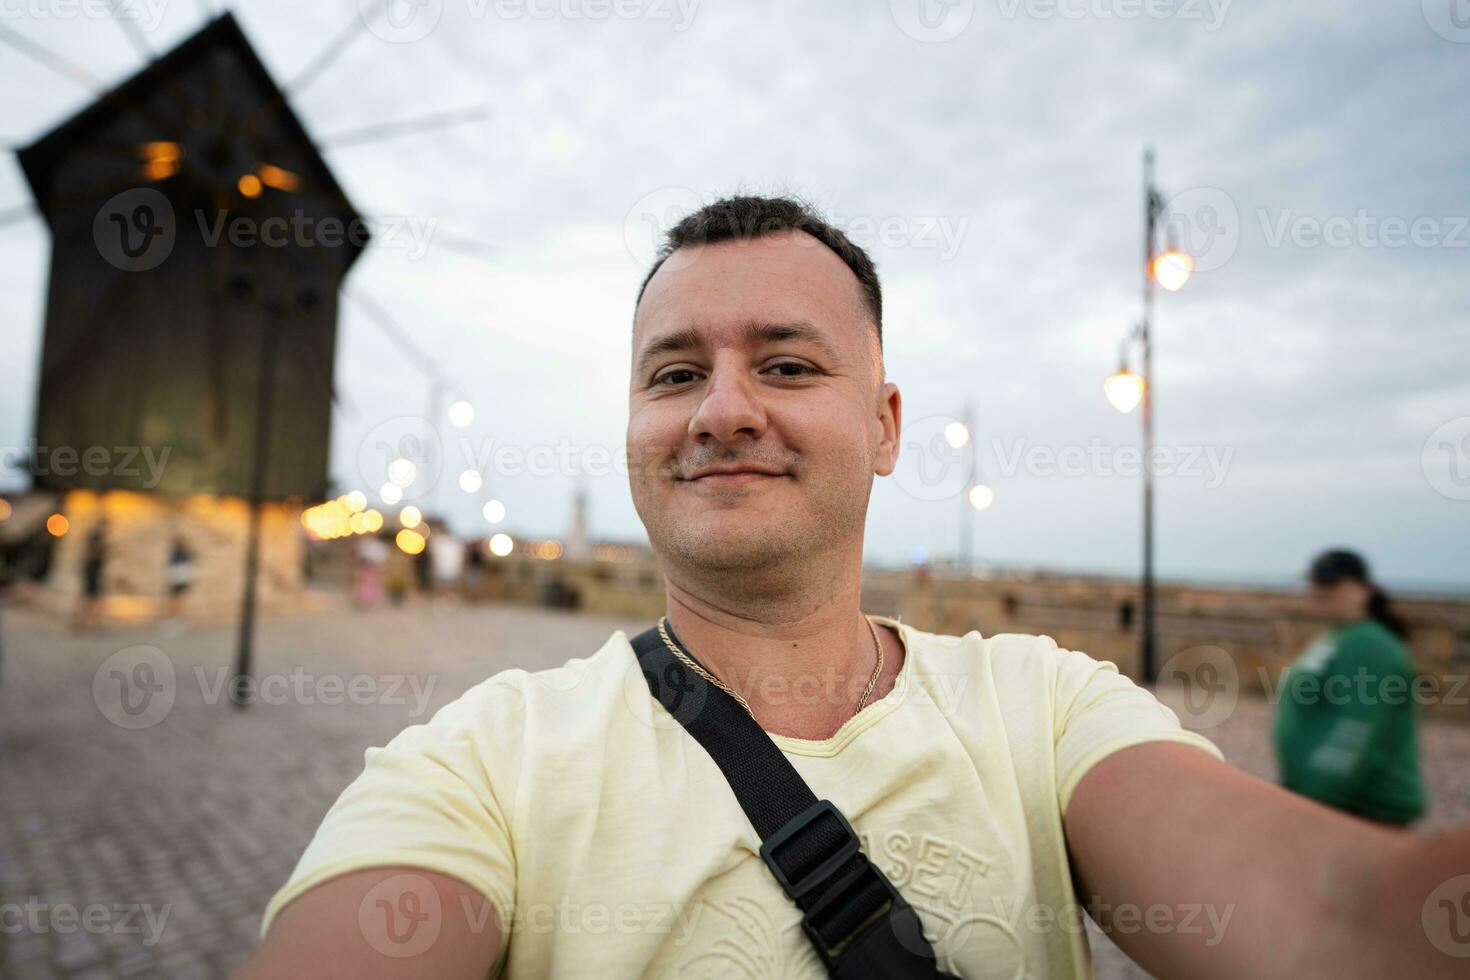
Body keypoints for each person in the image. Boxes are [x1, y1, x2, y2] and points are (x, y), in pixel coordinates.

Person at [243, 196, 1469, 979]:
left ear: (884, 425)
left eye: (784, 362)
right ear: (632, 423)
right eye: (674, 374)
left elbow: (1344, 921)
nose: (723, 409)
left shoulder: (1039, 709)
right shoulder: (480, 762)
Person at [1274, 549, 1426, 826]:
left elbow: (1356, 728)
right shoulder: (1340, 637)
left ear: (1362, 590)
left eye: (1331, 582)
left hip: (1362, 811)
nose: (1319, 589)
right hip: (1329, 804)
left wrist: (1316, 798)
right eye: (1315, 581)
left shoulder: (1371, 645)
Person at [72, 517, 107, 630]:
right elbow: (94, 551)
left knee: (92, 597)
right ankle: (82, 620)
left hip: (95, 569)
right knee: (88, 596)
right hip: (92, 569)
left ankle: (89, 620)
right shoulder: (95, 537)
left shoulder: (97, 536)